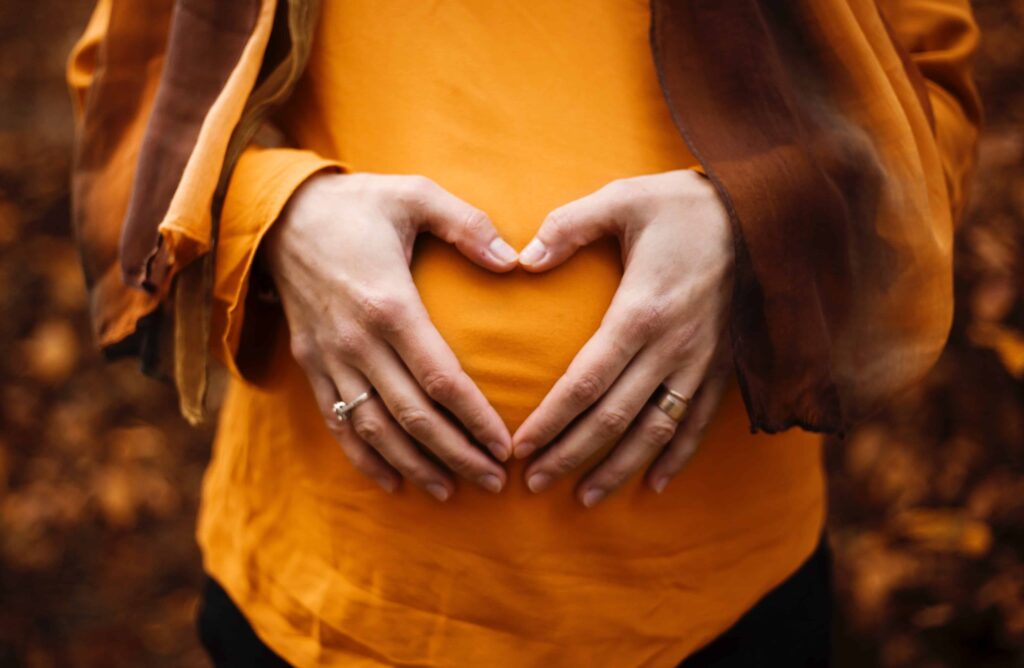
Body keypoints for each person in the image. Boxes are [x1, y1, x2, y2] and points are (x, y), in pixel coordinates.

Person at [67, 0, 980, 665]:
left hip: (716, 607)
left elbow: (927, 105)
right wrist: (274, 218)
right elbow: (130, 99)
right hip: (326, 602)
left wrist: (755, 224)